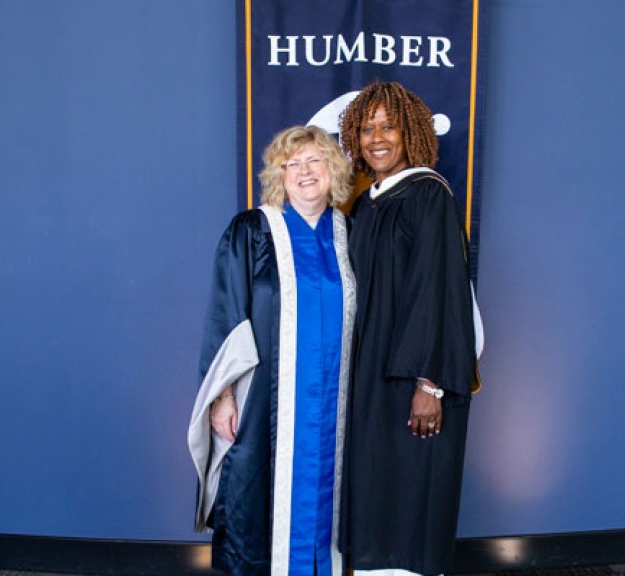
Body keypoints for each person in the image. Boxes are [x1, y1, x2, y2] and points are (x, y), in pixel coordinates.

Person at [188, 125, 356, 576]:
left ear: (333, 169)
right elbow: (227, 313)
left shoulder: (349, 234)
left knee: (331, 495)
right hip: (266, 401)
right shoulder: (253, 231)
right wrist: (222, 395)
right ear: (278, 176)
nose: (304, 171)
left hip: (336, 403)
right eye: (292, 164)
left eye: (314, 161)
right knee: (254, 498)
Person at [337, 81, 479, 576]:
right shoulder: (363, 205)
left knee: (409, 498)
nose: (377, 138)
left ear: (410, 132)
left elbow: (436, 291)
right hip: (370, 374)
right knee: (377, 494)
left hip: (413, 378)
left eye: (388, 126)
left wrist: (429, 383)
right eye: (366, 127)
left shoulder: (427, 196)